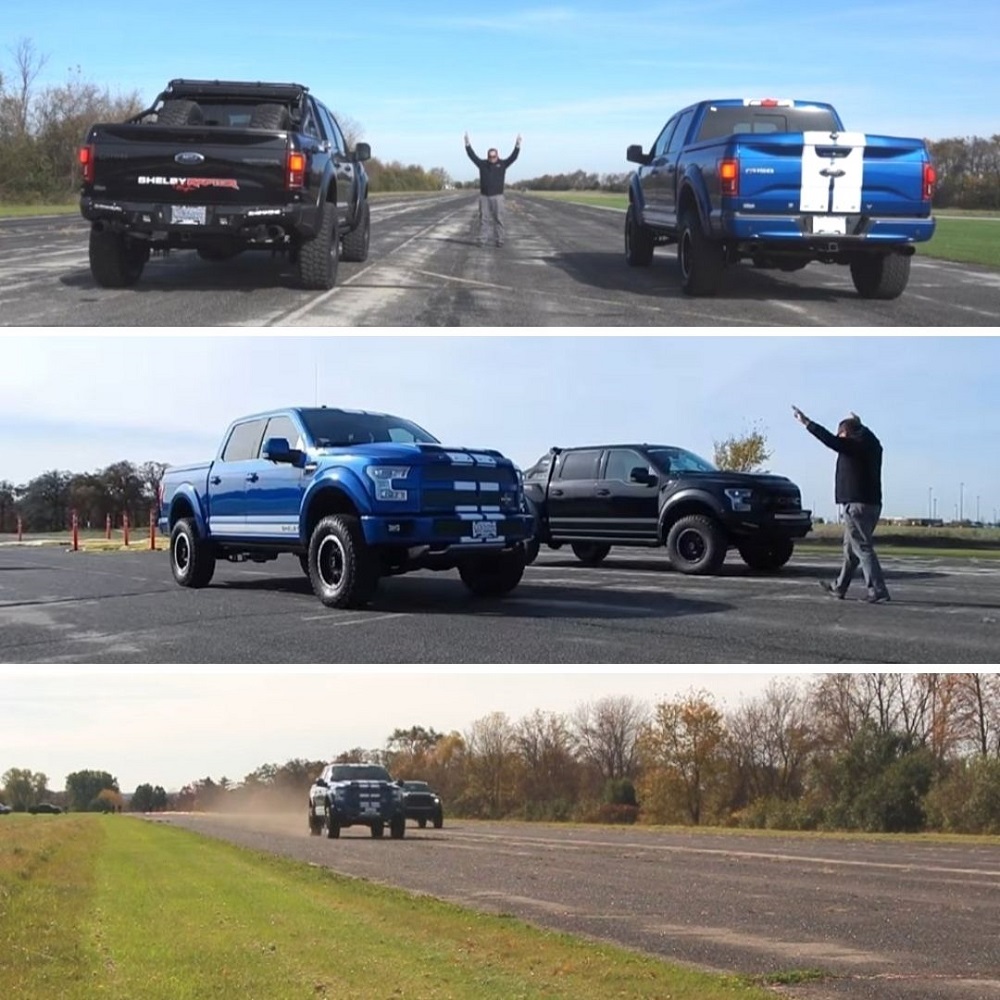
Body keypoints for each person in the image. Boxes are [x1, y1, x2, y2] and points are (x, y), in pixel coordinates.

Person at [792, 406, 891, 603]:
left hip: (856, 505)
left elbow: (829, 440)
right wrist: (861, 425)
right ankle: (840, 587)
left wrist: (807, 423)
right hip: (873, 505)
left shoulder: (852, 445)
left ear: (846, 433)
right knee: (850, 550)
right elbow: (872, 438)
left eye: (841, 433)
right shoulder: (873, 446)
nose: (840, 437)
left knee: (862, 547)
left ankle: (877, 589)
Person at [464, 132, 521, 247]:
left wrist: (517, 145)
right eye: (490, 156)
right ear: (488, 156)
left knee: (499, 219)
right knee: (483, 220)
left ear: (497, 156)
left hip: (498, 197)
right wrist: (467, 144)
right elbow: (472, 156)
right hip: (484, 196)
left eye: (494, 156)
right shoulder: (482, 164)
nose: (492, 158)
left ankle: (499, 240)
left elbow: (513, 157)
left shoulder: (503, 164)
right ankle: (483, 240)